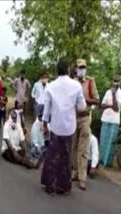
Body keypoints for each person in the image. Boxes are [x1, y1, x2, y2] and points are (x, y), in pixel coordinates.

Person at [41, 58, 86, 195]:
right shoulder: (76, 86)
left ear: (57, 70)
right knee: (66, 158)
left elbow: (46, 110)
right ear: (68, 70)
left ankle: (51, 187)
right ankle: (64, 187)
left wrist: (44, 125)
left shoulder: (50, 86)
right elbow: (81, 107)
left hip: (55, 127)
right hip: (69, 127)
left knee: (53, 156)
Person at [72, 59, 100, 190]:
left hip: (85, 118)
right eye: (79, 67)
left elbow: (97, 100)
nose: (82, 69)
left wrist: (84, 100)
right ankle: (75, 172)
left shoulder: (90, 81)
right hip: (73, 117)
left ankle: (82, 177)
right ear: (76, 69)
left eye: (83, 67)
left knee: (83, 148)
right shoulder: (72, 82)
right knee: (74, 146)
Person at [99, 75, 121, 168]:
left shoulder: (120, 93)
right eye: (114, 80)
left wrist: (113, 95)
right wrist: (110, 106)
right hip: (105, 119)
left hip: (114, 121)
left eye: (117, 81)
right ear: (112, 81)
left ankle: (107, 163)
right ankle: (101, 160)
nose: (115, 82)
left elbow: (116, 108)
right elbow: (102, 105)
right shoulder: (108, 91)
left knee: (110, 142)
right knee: (103, 140)